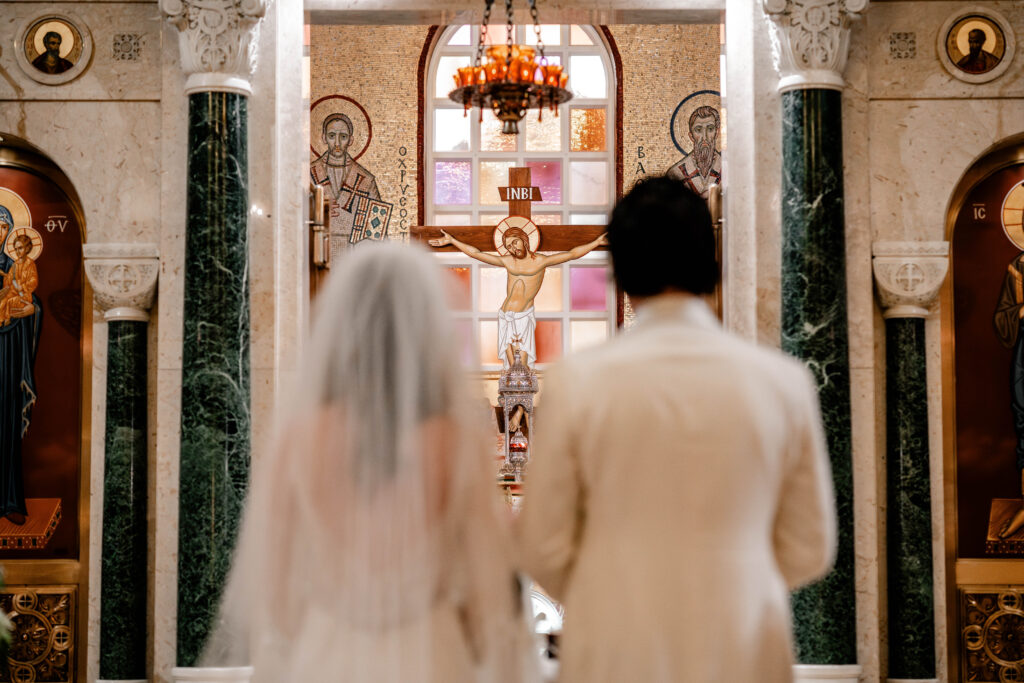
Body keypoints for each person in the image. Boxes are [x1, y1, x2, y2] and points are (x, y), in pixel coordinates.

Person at [517, 176, 837, 682]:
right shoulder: (784, 382)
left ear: (619, 272)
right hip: (742, 641)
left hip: (614, 644)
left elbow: (541, 544)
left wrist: (607, 584)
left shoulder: (576, 383)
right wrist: (738, 575)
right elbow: (810, 546)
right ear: (711, 262)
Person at [202, 242, 537, 683]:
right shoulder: (456, 442)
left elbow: (278, 597)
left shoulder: (299, 439)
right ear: (426, 334)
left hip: (326, 658)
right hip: (433, 657)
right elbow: (485, 591)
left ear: (341, 333)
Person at [429, 225, 606, 368]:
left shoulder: (540, 261)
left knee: (523, 367)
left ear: (524, 240)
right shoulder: (508, 261)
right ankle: (516, 410)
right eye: (509, 247)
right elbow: (476, 254)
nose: (513, 249)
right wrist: (453, 240)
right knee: (511, 369)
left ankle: (520, 412)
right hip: (506, 315)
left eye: (515, 243)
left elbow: (572, 254)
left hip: (523, 317)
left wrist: (597, 241)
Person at [0, 212, 42, 526]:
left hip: (9, 351)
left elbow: (32, 300)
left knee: (7, 419)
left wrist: (31, 309)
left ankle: (9, 499)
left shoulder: (15, 265)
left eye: (2, 228)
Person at [310, 113, 382, 251]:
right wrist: (318, 212)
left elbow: (377, 229)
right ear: (324, 138)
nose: (337, 143)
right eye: (332, 136)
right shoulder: (309, 174)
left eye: (343, 137)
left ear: (351, 140)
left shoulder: (365, 179)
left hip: (353, 254)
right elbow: (293, 213)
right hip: (318, 250)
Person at [666, 105, 722, 199]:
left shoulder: (729, 170)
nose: (705, 137)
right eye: (698, 130)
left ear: (717, 133)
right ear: (691, 136)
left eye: (710, 129)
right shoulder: (676, 174)